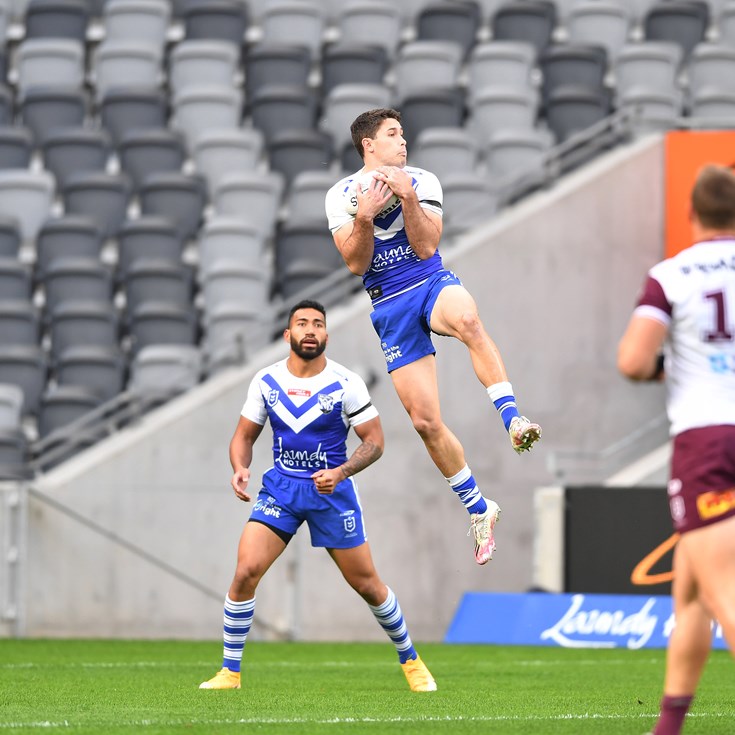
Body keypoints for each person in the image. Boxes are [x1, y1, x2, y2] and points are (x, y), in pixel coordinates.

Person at [324, 108, 541, 565]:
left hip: (428, 281)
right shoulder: (340, 196)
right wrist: (363, 218)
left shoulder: (423, 180)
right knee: (424, 421)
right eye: (393, 135)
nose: (403, 142)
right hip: (388, 302)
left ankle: (514, 419)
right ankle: (479, 509)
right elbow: (355, 265)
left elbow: (427, 246)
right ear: (368, 144)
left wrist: (407, 200)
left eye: (403, 134)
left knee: (468, 322)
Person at [199, 299, 436, 693]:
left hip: (332, 494)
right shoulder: (266, 381)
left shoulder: (346, 383)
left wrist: (340, 472)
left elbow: (374, 442)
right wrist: (240, 467)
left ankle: (411, 661)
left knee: (368, 585)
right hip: (281, 489)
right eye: (302, 323)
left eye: (318, 324)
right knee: (245, 572)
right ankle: (230, 673)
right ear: (287, 334)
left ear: (327, 335)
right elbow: (243, 437)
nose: (310, 330)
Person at [617, 164, 735, 735]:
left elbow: (634, 362)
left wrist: (673, 368)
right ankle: (667, 728)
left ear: (693, 215)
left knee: (727, 593)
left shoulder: (672, 274)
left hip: (710, 442)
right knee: (689, 593)